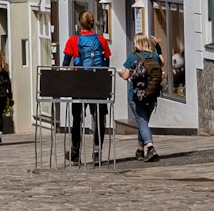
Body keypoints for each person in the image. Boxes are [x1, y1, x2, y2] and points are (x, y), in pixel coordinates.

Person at [62, 10, 112, 164]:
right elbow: (107, 61)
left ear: (79, 23)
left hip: (79, 82)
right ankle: (97, 151)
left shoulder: (73, 40)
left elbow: (65, 64)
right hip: (98, 82)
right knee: (99, 117)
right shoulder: (101, 40)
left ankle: (75, 151)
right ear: (92, 23)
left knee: (77, 117)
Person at [119, 32, 162, 162]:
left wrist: (121, 74)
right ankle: (139, 149)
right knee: (143, 122)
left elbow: (126, 76)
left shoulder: (132, 57)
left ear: (136, 43)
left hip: (136, 95)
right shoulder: (153, 55)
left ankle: (150, 147)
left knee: (141, 122)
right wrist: (158, 47)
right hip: (152, 94)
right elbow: (162, 63)